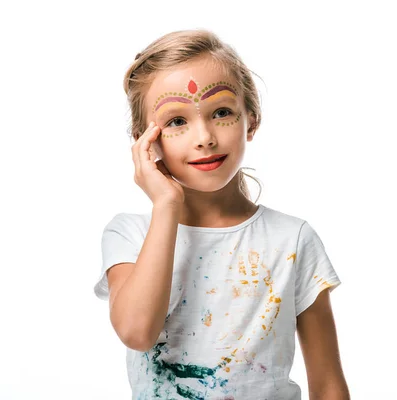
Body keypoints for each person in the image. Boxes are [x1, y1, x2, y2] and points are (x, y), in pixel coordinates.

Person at [93, 29, 350, 400]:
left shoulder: (291, 240)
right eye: (176, 122)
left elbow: (327, 385)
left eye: (222, 112)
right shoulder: (129, 235)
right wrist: (166, 205)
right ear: (145, 140)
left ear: (252, 119)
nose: (204, 137)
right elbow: (136, 332)